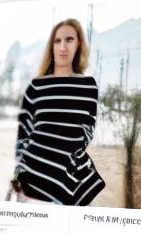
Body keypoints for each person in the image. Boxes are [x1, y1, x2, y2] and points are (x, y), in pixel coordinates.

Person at [12, 18, 106, 205]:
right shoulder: (36, 87)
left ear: (78, 44)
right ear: (52, 46)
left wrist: (60, 156)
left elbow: (86, 133)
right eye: (57, 41)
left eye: (69, 39)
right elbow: (23, 136)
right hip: (31, 182)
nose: (63, 46)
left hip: (68, 179)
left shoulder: (88, 86)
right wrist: (20, 173)